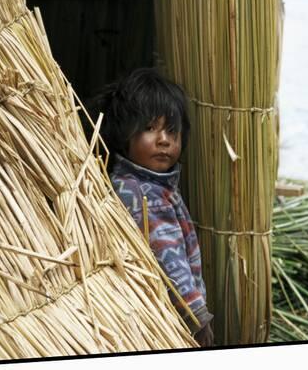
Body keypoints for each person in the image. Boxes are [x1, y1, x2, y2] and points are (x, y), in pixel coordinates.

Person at [88, 68, 214, 347]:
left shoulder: (138, 183)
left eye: (172, 130)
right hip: (169, 314)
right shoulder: (146, 195)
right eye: (149, 128)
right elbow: (168, 257)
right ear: (124, 136)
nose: (164, 140)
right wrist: (196, 317)